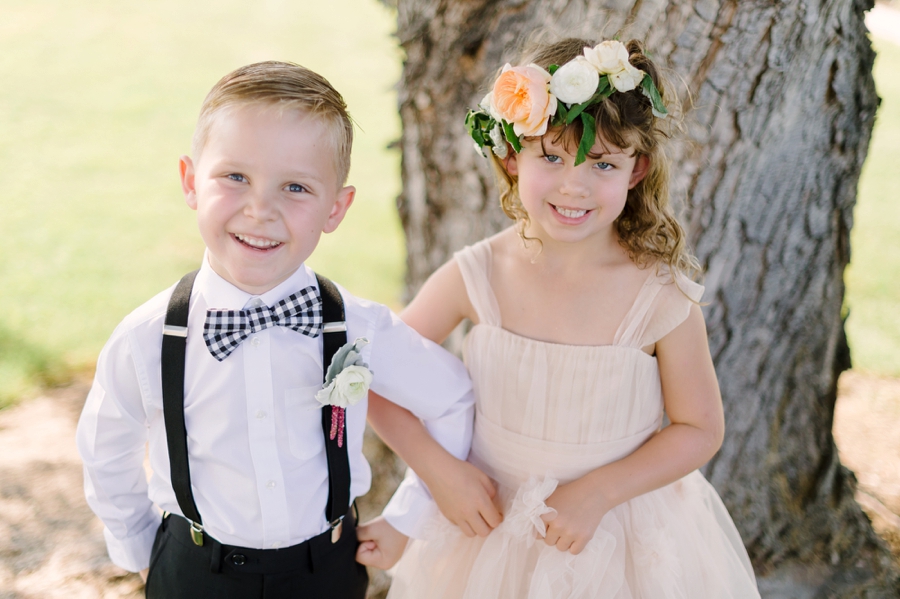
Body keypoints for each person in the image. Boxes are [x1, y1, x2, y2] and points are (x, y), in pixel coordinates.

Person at [356, 38, 761, 597]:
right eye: (551, 156)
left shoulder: (659, 297)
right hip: (485, 526)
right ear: (510, 158)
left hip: (616, 536)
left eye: (602, 164)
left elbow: (698, 429)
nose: (575, 184)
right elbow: (368, 374)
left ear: (636, 169)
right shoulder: (476, 275)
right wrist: (439, 474)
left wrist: (597, 492)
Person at [75, 61, 488, 599]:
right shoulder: (146, 338)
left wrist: (409, 518)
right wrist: (140, 553)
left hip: (326, 571)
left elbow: (451, 398)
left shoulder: (358, 327)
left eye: (295, 186)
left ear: (335, 209)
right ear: (190, 181)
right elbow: (107, 450)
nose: (260, 209)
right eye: (236, 177)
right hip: (195, 571)